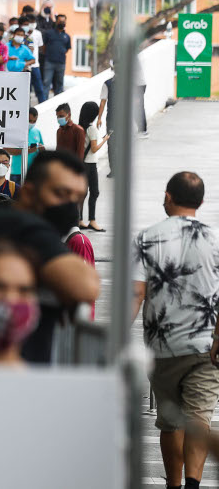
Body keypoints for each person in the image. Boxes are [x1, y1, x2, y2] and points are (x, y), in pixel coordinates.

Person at [131, 172, 219, 489]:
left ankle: (175, 485)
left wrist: (115, 339)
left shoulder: (146, 238)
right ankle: (194, 484)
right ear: (202, 202)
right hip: (207, 344)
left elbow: (136, 293)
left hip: (163, 347)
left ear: (168, 196)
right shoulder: (215, 239)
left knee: (170, 422)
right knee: (199, 417)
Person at [0, 151, 101, 363]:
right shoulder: (12, 227)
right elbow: (87, 285)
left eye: (77, 198)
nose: (70, 205)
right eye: (61, 193)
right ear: (29, 193)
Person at [77, 100, 109, 232]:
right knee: (94, 192)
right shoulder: (92, 129)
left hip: (81, 163)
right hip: (90, 164)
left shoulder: (80, 127)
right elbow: (94, 149)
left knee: (82, 193)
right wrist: (105, 139)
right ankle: (92, 220)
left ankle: (79, 220)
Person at [7, 106, 45, 185]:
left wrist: (42, 150)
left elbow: (42, 150)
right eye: (30, 120)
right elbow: (7, 149)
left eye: (34, 121)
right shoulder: (15, 131)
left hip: (33, 172)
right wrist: (26, 151)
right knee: (16, 196)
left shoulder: (37, 131)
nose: (32, 123)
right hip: (17, 172)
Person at [40, 13, 71, 96]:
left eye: (63, 21)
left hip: (61, 63)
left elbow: (67, 49)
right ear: (56, 21)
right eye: (60, 21)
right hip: (49, 62)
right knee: (46, 83)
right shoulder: (48, 33)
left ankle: (58, 106)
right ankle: (43, 104)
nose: (62, 23)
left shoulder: (67, 36)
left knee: (59, 85)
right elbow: (43, 46)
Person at [20, 14, 47, 102]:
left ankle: (42, 106)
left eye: (32, 22)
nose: (31, 25)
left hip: (34, 65)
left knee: (39, 88)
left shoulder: (36, 34)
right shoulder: (19, 36)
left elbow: (38, 48)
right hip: (22, 66)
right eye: (28, 23)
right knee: (25, 90)